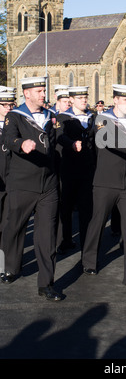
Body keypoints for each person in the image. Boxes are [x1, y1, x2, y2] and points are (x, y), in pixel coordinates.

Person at [0, 77, 61, 301]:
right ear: (27, 94)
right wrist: (21, 144)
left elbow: (52, 145)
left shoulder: (50, 116)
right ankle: (9, 267)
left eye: (43, 90)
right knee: (14, 227)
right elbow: (9, 139)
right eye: (38, 91)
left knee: (47, 235)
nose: (43, 94)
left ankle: (46, 284)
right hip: (23, 183)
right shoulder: (15, 116)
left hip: (47, 184)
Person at [81, 84, 126, 286]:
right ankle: (89, 261)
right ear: (115, 100)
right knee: (97, 222)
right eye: (125, 100)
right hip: (105, 181)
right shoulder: (102, 119)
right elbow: (105, 138)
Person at [56, 86, 96, 254]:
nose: (84, 100)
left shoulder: (93, 117)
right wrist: (71, 143)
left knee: (86, 209)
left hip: (88, 169)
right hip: (69, 168)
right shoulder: (63, 118)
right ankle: (65, 240)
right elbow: (60, 135)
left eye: (85, 97)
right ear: (71, 100)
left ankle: (86, 247)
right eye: (80, 98)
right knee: (65, 206)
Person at [0, 89, 15, 245]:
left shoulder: (17, 125)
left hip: (13, 179)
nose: (9, 108)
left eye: (11, 105)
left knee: (9, 221)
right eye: (4, 105)